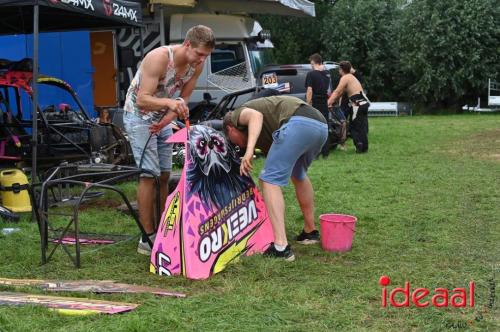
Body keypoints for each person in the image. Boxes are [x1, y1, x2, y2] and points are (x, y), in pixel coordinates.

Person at [123, 25, 215, 255]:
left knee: (164, 174)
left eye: (206, 55)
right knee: (149, 174)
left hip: (161, 118)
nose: (201, 60)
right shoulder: (159, 57)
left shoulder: (197, 64)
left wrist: (166, 121)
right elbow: (143, 99)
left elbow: (183, 99)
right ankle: (147, 237)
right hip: (138, 116)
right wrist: (169, 105)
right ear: (187, 45)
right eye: (199, 54)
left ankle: (164, 226)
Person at [222, 95, 328, 261]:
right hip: (320, 125)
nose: (236, 145)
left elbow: (256, 116)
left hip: (298, 122)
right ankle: (310, 232)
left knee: (268, 180)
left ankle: (281, 246)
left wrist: (249, 151)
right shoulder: (264, 132)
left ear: (231, 129)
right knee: (298, 174)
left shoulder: (236, 115)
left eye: (232, 140)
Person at [328, 61, 369, 153]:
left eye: (339, 69)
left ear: (341, 70)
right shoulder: (351, 77)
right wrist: (332, 102)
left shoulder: (345, 78)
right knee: (361, 126)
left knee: (354, 127)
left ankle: (360, 147)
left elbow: (337, 92)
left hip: (357, 104)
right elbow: (341, 93)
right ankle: (364, 148)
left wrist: (328, 103)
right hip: (363, 102)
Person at [305, 53, 332, 158]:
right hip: (324, 103)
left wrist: (308, 104)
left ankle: (315, 153)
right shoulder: (327, 74)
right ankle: (326, 153)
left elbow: (309, 90)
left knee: (314, 128)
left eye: (311, 63)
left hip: (315, 103)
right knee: (325, 127)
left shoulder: (311, 74)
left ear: (313, 62)